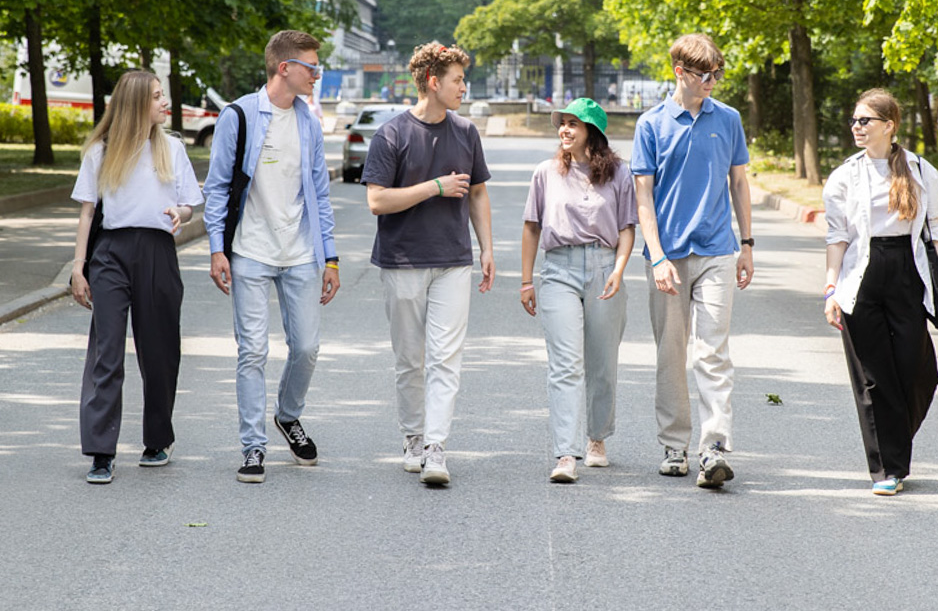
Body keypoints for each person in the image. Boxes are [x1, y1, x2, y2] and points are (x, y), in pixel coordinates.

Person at [202, 30, 340, 484]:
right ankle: (252, 446)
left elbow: (319, 193)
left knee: (306, 348)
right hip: (250, 252)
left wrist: (331, 258)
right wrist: (217, 248)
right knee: (253, 352)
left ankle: (288, 415)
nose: (316, 75)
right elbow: (218, 185)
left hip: (300, 253)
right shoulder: (239, 116)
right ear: (286, 68)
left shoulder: (308, 123)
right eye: (311, 67)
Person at [362, 42, 495, 486]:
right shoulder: (392, 134)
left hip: (453, 261)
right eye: (457, 79)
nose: (464, 87)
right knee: (409, 359)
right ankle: (413, 436)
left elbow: (477, 192)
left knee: (446, 358)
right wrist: (434, 187)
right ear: (434, 82)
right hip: (402, 261)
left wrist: (488, 249)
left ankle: (436, 447)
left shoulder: (466, 131)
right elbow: (377, 200)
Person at [823, 88, 938, 496]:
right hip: (861, 276)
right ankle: (888, 468)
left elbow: (934, 232)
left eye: (864, 121)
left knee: (919, 374)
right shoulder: (845, 175)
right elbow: (837, 237)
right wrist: (830, 287)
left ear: (889, 125)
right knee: (873, 377)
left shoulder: (920, 170)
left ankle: (895, 440)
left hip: (907, 272)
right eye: (854, 121)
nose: (856, 127)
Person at [631, 33, 753, 489]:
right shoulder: (652, 124)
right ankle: (674, 445)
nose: (713, 82)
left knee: (713, 351)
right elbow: (643, 197)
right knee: (671, 352)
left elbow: (739, 183)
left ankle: (714, 447)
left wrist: (748, 243)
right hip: (669, 257)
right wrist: (658, 255)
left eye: (718, 74)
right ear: (679, 72)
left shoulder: (729, 119)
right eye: (705, 75)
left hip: (718, 250)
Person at [71, 70, 204, 484]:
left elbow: (188, 205)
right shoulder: (101, 152)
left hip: (157, 253)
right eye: (157, 97)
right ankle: (100, 451)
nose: (165, 103)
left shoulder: (172, 149)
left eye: (163, 96)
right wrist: (78, 266)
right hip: (110, 253)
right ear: (135, 104)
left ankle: (157, 440)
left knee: (159, 349)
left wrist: (178, 215)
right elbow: (89, 212)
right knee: (107, 352)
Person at [520, 98, 637, 483]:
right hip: (559, 271)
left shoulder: (619, 174)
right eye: (563, 123)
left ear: (593, 133)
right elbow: (532, 226)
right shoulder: (546, 172)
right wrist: (526, 280)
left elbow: (626, 228)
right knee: (565, 365)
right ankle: (565, 453)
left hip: (605, 268)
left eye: (574, 124)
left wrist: (619, 270)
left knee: (602, 362)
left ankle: (596, 439)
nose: (565, 130)